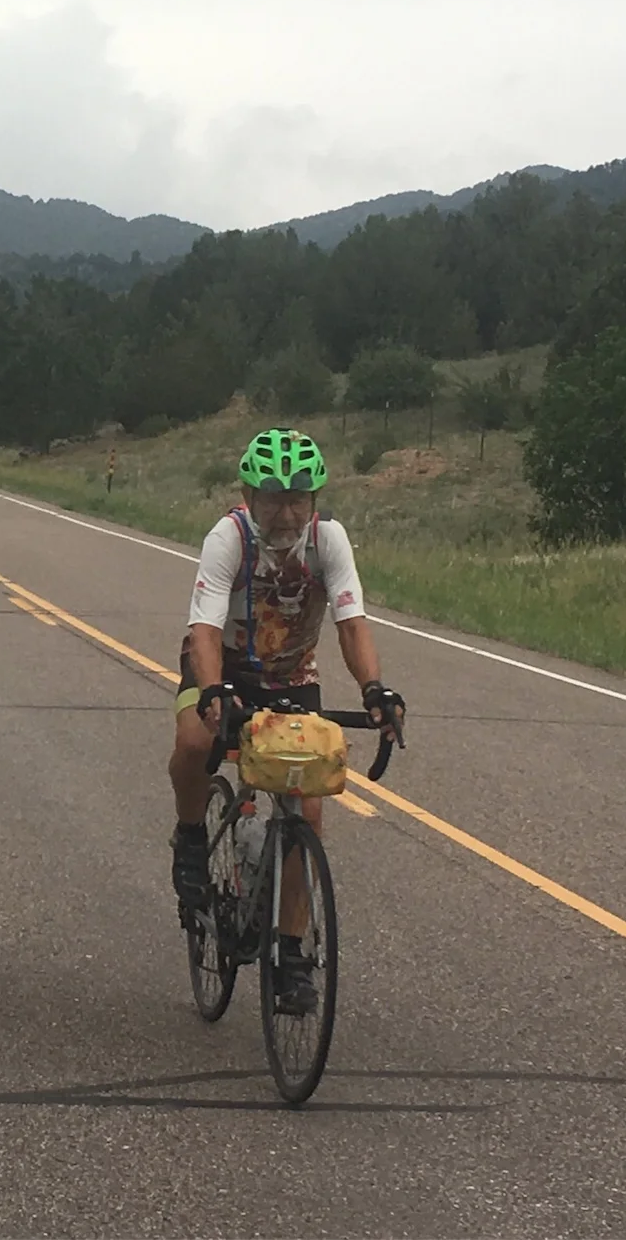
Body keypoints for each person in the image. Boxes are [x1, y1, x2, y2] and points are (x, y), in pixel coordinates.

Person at [168, 427, 406, 1012]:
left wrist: (374, 688)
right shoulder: (228, 538)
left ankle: (293, 954)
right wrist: (214, 689)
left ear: (315, 500)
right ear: (249, 496)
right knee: (195, 740)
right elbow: (203, 626)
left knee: (309, 808)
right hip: (222, 665)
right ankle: (192, 838)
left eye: (298, 498)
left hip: (293, 675)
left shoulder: (328, 541)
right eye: (272, 498)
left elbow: (352, 624)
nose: (286, 511)